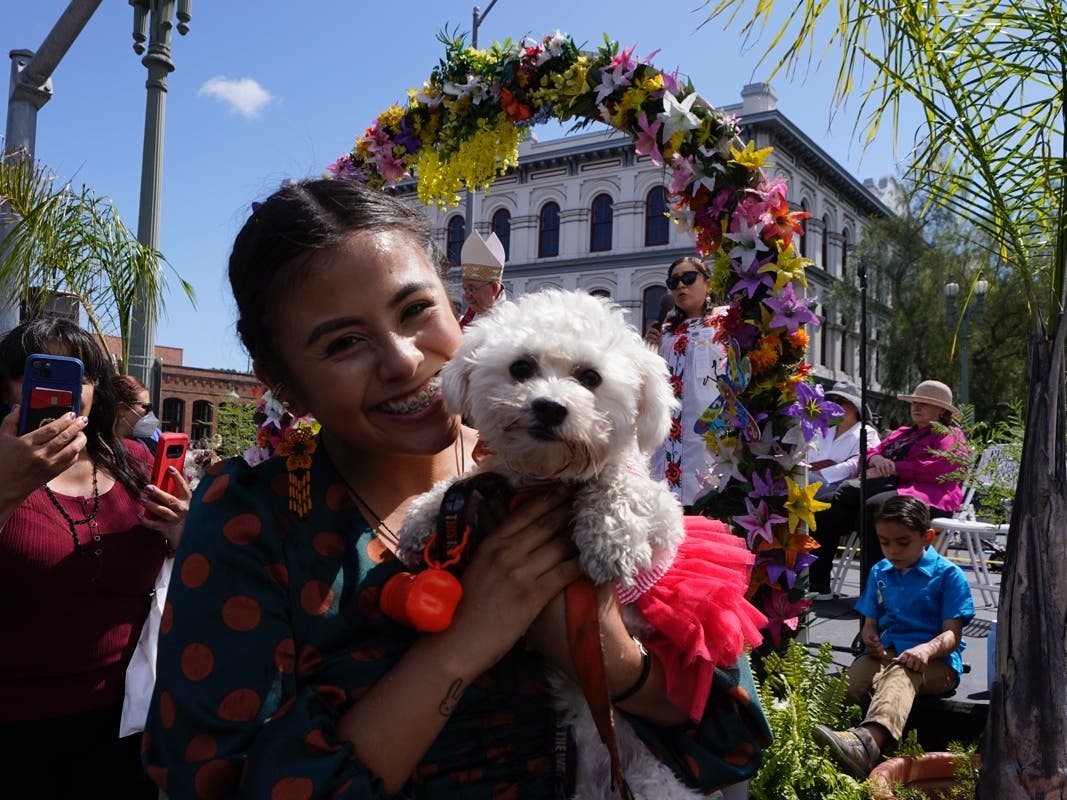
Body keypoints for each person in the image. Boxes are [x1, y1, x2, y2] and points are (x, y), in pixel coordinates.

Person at [143, 179, 767, 799]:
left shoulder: (579, 471)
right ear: (282, 382)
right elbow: (212, 783)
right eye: (343, 343)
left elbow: (734, 736)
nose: (402, 361)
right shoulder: (252, 518)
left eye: (416, 310)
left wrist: (612, 661)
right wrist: (464, 645)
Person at [0, 317, 191, 799]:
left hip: (128, 720)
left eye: (79, 376)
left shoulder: (136, 463)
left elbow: (188, 575)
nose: (60, 390)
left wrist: (182, 533)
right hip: (15, 728)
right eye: (35, 372)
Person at [813, 496, 975, 779]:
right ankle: (830, 747)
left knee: (901, 673)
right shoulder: (880, 571)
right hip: (887, 654)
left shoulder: (949, 575)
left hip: (937, 665)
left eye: (902, 542)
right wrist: (870, 637)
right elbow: (869, 624)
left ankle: (868, 745)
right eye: (884, 542)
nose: (892, 550)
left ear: (927, 537)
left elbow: (952, 634)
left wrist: (925, 650)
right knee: (851, 682)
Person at [815, 380, 968, 592]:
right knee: (825, 505)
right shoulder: (904, 432)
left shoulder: (950, 436)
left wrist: (895, 468)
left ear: (942, 410)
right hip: (890, 488)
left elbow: (940, 468)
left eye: (924, 403)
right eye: (914, 402)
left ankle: (876, 591)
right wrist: (876, 460)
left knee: (874, 508)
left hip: (928, 494)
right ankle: (817, 583)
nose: (916, 406)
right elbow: (869, 452)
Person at [646, 256, 726, 510]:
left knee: (708, 500)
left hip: (710, 432)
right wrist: (649, 350)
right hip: (669, 436)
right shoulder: (666, 332)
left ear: (708, 283)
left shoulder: (726, 324)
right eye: (674, 281)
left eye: (689, 278)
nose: (681, 286)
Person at [807, 381, 881, 598]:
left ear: (855, 407)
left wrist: (823, 472)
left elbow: (857, 463)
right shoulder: (824, 430)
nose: (836, 405)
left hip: (839, 489)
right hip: (814, 482)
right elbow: (810, 456)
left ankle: (815, 578)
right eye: (833, 401)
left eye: (843, 402)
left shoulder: (866, 432)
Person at [458, 230, 506, 328]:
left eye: (472, 289)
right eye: (465, 289)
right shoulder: (467, 318)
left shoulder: (509, 323)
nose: (467, 296)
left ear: (494, 288)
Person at [112, 372, 160, 452]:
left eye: (151, 408)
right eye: (146, 407)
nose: (150, 414)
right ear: (121, 409)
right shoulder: (101, 450)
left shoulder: (151, 445)